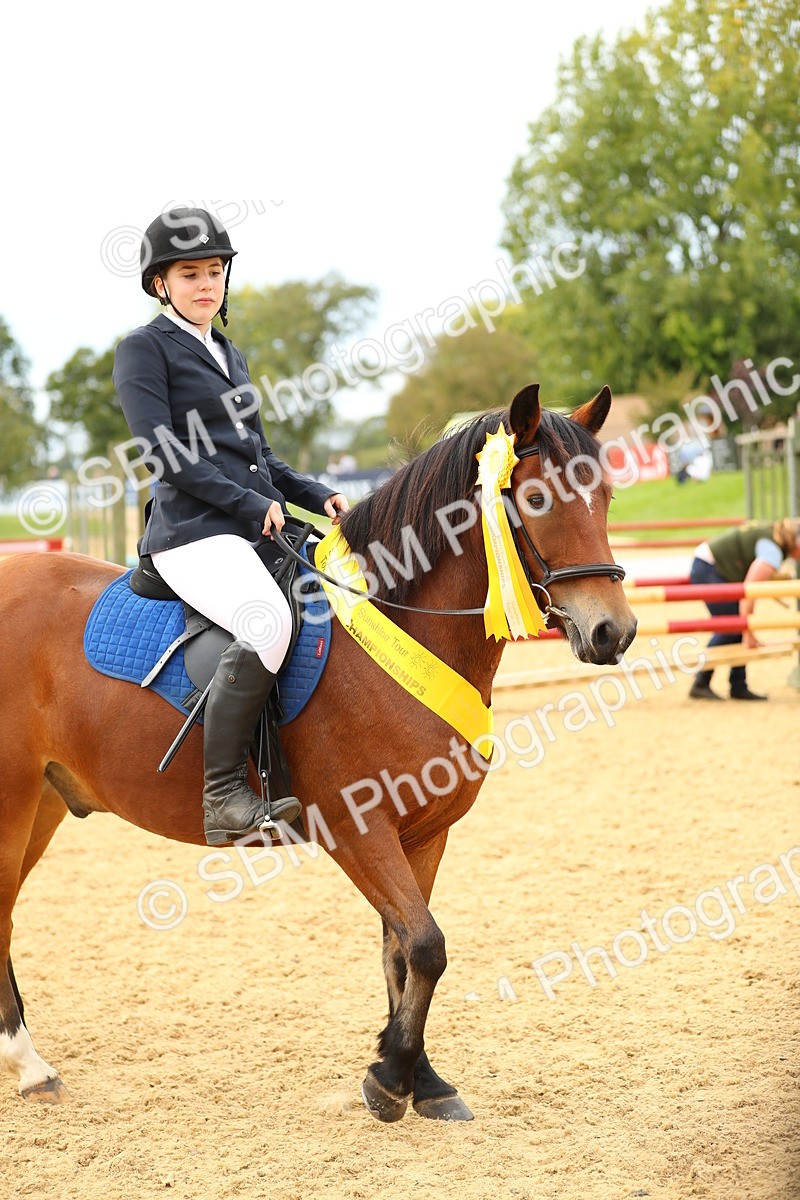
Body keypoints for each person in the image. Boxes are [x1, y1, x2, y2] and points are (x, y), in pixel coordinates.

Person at [113, 207, 349, 845]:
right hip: (190, 534)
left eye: (214, 272)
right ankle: (222, 796)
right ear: (161, 283)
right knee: (267, 622)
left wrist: (317, 495)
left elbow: (260, 460)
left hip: (247, 527)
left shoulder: (228, 352)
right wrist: (250, 506)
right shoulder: (144, 348)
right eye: (190, 274)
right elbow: (167, 455)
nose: (205, 285)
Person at [688, 518, 800, 701]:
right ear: (794, 542)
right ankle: (701, 682)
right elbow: (749, 591)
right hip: (709, 568)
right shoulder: (772, 552)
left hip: (709, 563)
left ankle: (737, 685)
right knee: (731, 626)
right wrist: (748, 630)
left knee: (734, 625)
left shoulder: (772, 533)